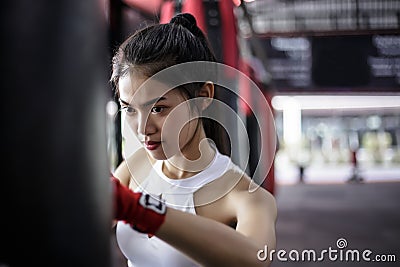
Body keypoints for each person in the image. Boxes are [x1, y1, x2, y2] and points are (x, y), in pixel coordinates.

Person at [109, 13, 277, 267]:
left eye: (158, 108)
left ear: (203, 97)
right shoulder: (136, 167)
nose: (142, 128)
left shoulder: (246, 197)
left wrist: (142, 210)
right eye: (130, 109)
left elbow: (254, 259)